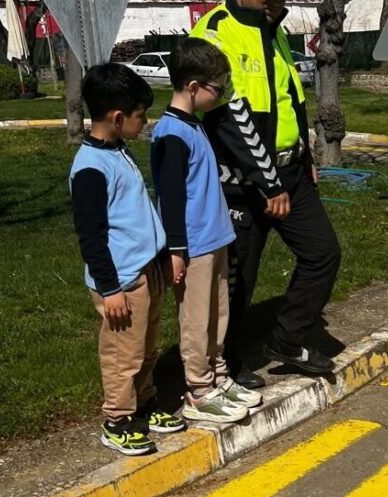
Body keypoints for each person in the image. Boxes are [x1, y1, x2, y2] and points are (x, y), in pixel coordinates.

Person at [191, 0, 342, 385]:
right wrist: (267, 180)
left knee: (322, 252)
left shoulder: (271, 30)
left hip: (291, 172)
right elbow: (226, 117)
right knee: (239, 276)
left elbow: (288, 99)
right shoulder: (215, 30)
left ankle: (288, 338)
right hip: (244, 180)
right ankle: (225, 363)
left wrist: (305, 155)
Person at [69, 63, 185, 456]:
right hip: (120, 281)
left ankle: (145, 404)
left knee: (147, 346)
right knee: (124, 354)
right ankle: (116, 420)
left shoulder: (117, 150)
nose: (145, 122)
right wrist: (109, 289)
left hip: (145, 270)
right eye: (140, 116)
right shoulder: (90, 168)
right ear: (118, 118)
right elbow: (91, 237)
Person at [152, 38, 261, 424]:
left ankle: (218, 376)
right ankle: (199, 389)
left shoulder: (193, 126)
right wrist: (176, 250)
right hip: (194, 244)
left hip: (216, 238)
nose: (221, 95)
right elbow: (172, 197)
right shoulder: (170, 134)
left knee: (219, 313)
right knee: (196, 320)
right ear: (194, 87)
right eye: (218, 88)